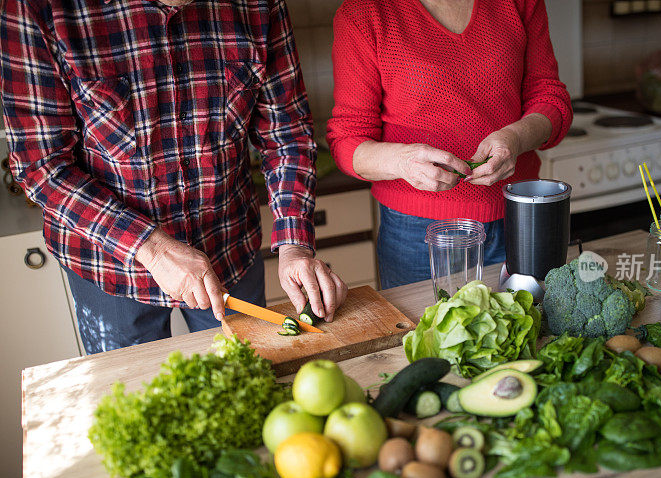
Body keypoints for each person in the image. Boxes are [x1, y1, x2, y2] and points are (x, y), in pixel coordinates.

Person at [0, 0, 347, 354]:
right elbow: (41, 165)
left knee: (244, 382)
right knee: (130, 398)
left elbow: (286, 134)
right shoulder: (37, 8)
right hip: (109, 266)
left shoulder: (259, 5)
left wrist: (295, 244)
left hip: (229, 248)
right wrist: (152, 248)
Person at [327, 0, 573, 289]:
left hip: (520, 216)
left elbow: (549, 97)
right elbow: (346, 141)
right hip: (419, 235)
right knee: (427, 332)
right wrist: (402, 161)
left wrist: (516, 138)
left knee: (532, 330)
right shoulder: (364, 13)